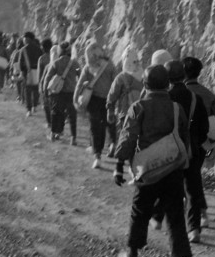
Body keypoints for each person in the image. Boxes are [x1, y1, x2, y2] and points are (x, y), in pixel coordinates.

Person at [113, 65, 193, 257]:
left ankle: (132, 256)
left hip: (147, 170)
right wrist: (183, 165)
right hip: (172, 169)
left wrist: (119, 166)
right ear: (167, 84)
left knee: (139, 211)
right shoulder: (177, 108)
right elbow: (184, 138)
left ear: (145, 84)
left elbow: (128, 138)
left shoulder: (138, 107)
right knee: (175, 215)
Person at [150, 60, 209, 242]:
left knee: (165, 184)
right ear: (183, 76)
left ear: (167, 78)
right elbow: (204, 128)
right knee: (192, 190)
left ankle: (157, 218)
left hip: (169, 149)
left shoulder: (165, 98)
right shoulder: (195, 98)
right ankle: (194, 229)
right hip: (191, 149)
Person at [182, 56, 215, 238]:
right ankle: (199, 219)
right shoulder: (209, 95)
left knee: (187, 185)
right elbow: (214, 122)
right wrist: (210, 146)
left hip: (181, 144)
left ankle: (193, 224)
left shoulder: (180, 93)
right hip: (201, 145)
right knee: (194, 180)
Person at [74, 40, 116, 169]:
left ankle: (97, 155)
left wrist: (75, 100)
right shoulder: (110, 66)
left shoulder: (88, 67)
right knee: (109, 122)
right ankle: (113, 143)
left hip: (94, 100)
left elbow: (79, 85)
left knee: (96, 126)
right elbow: (116, 83)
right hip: (108, 99)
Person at [106, 45, 144, 158]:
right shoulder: (143, 75)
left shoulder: (121, 77)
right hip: (140, 112)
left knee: (123, 134)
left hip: (125, 112)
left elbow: (112, 95)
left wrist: (110, 109)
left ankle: (120, 158)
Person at [42, 41, 79, 144]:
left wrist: (45, 91)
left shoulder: (56, 63)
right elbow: (80, 76)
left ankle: (53, 134)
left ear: (60, 51)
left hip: (58, 93)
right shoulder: (75, 63)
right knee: (72, 115)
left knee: (56, 113)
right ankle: (73, 138)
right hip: (71, 92)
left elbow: (47, 77)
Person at [19, 32, 44, 117]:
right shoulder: (39, 49)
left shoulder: (23, 49)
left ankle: (29, 109)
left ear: (27, 39)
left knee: (27, 91)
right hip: (37, 72)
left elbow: (20, 63)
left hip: (27, 72)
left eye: (24, 38)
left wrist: (22, 72)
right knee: (36, 90)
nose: (23, 40)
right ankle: (34, 106)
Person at [37, 38, 54, 129]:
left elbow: (40, 74)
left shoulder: (42, 58)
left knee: (46, 104)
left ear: (43, 47)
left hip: (45, 84)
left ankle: (49, 122)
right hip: (56, 83)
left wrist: (40, 85)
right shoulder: (56, 56)